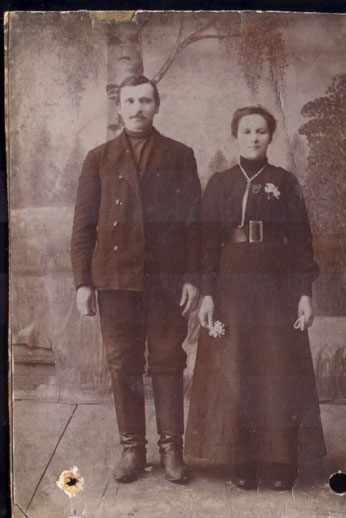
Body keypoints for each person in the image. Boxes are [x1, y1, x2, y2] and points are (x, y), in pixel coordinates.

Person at [185, 105, 326, 490]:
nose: (253, 137)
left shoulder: (285, 181)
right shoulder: (220, 183)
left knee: (276, 369)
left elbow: (302, 243)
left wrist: (304, 293)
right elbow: (207, 244)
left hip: (276, 286)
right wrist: (208, 294)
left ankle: (279, 461)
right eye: (246, 131)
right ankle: (242, 459)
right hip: (231, 285)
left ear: (270, 137)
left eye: (260, 131)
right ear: (235, 136)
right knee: (238, 367)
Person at [70, 74, 201, 485]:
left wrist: (192, 277)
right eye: (130, 101)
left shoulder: (180, 155)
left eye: (145, 100)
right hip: (115, 279)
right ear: (119, 108)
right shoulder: (99, 158)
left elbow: (194, 224)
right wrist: (83, 283)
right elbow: (83, 226)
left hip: (165, 281)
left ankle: (172, 450)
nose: (137, 108)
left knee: (168, 359)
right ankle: (132, 449)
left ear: (156, 106)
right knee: (123, 363)